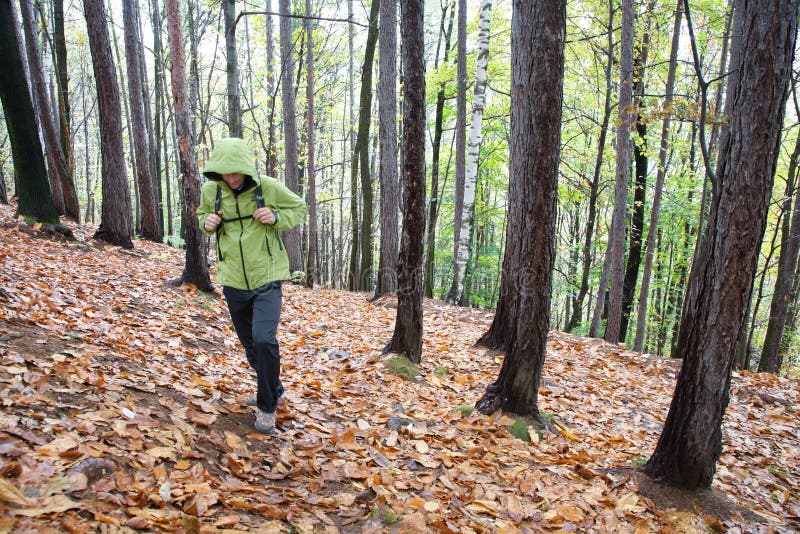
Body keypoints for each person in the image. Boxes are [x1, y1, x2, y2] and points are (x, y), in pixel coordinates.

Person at [197, 138, 306, 433]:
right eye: (225, 173)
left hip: (266, 276)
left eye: (236, 172)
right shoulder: (212, 191)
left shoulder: (267, 187)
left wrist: (277, 217)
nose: (231, 179)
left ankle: (267, 405)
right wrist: (206, 222)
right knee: (251, 349)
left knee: (263, 340)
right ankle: (274, 387)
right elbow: (201, 216)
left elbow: (299, 207)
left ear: (246, 168)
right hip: (232, 279)